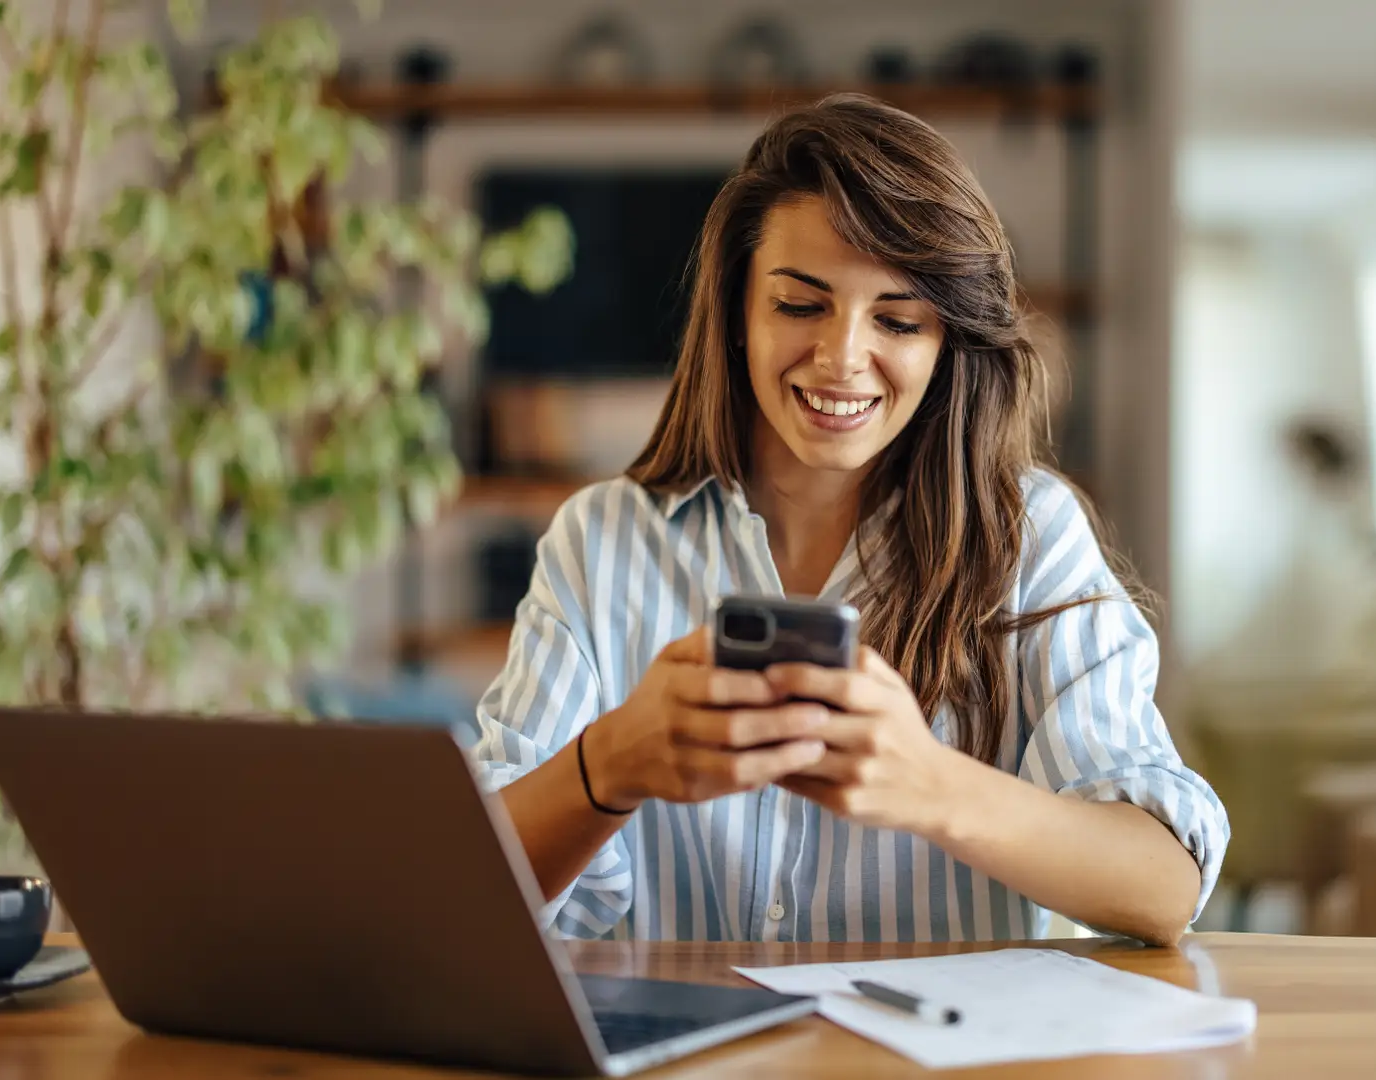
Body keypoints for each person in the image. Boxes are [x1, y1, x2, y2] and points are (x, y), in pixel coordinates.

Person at [474, 94, 1227, 945]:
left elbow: (1166, 884)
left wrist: (931, 785)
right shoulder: (601, 541)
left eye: (898, 320)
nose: (841, 358)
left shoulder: (1028, 538)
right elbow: (466, 893)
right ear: (736, 315)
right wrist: (607, 767)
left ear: (948, 342)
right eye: (800, 306)